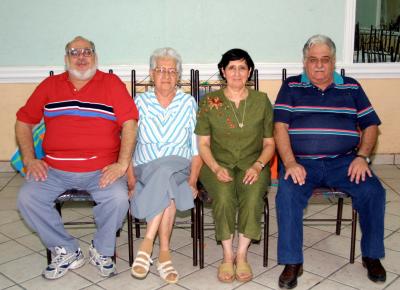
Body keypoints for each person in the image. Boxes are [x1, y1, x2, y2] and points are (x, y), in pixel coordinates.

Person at [16, 36, 138, 279]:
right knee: (27, 198)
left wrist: (122, 164)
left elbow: (130, 123)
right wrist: (30, 159)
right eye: (75, 52)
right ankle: (67, 249)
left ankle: (101, 249)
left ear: (95, 57)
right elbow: (23, 121)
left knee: (117, 199)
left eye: (87, 52)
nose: (81, 57)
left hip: (101, 169)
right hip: (55, 169)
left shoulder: (111, 83)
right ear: (66, 59)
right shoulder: (49, 85)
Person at [274, 34, 386, 289]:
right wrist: (290, 163)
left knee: (373, 191)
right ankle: (293, 261)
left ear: (333, 61)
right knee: (287, 193)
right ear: (305, 62)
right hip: (302, 163)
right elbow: (279, 127)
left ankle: (371, 255)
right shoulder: (291, 87)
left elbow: (371, 126)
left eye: (325, 60)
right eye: (313, 60)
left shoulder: (352, 87)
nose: (319, 65)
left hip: (344, 162)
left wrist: (362, 157)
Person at [195, 48, 275, 283]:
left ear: (249, 71)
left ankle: (242, 256)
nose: (237, 73)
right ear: (223, 71)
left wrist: (258, 166)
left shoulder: (261, 101)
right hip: (216, 163)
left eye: (242, 67)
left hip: (253, 163)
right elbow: (203, 144)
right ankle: (227, 256)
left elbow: (270, 143)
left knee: (252, 195)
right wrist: (216, 168)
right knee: (223, 194)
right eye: (232, 67)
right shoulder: (210, 101)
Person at [128, 47, 202, 284]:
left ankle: (147, 243)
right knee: (167, 182)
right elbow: (127, 146)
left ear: (178, 76)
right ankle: (164, 254)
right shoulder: (139, 102)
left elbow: (196, 148)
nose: (166, 75)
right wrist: (130, 180)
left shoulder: (188, 103)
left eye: (172, 71)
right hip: (145, 167)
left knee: (168, 172)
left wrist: (192, 180)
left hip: (180, 166)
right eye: (161, 70)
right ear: (151, 73)